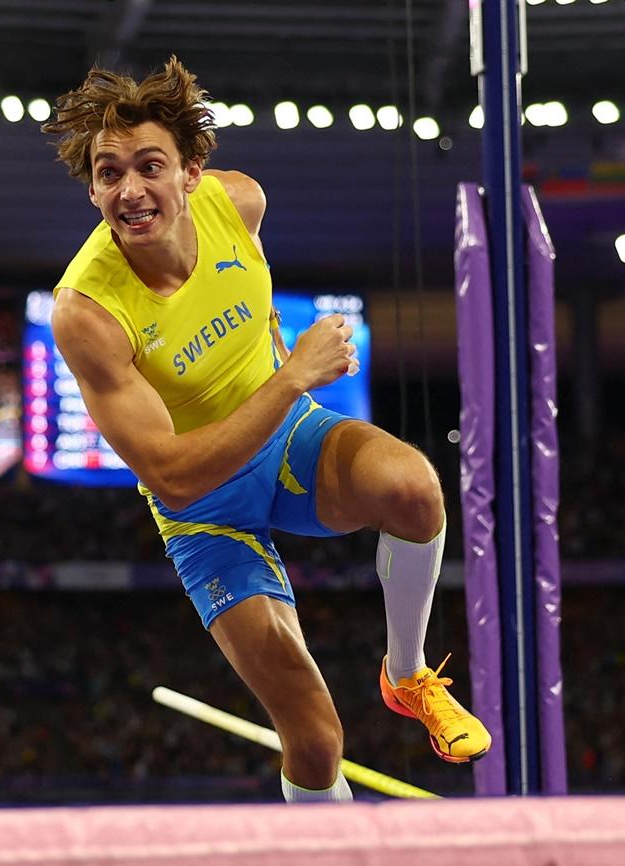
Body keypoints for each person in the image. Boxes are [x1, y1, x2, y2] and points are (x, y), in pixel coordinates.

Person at [43, 57, 489, 803]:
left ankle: (406, 674)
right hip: (206, 512)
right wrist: (292, 376)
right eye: (108, 172)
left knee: (413, 487)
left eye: (150, 166)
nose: (129, 190)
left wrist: (279, 362)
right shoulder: (85, 313)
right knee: (314, 741)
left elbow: (245, 290)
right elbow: (174, 474)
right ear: (91, 188)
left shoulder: (239, 203)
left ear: (190, 172)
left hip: (289, 441)